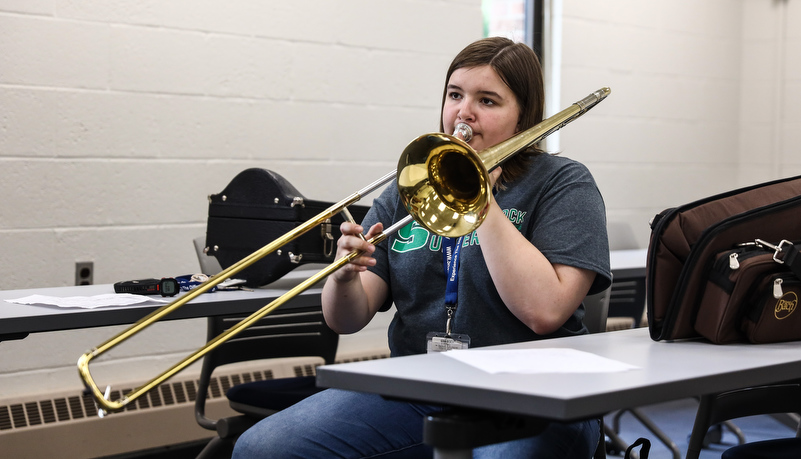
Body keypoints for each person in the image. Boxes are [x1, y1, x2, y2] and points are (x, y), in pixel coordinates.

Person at [233, 36, 611, 459]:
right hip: (421, 388)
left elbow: (545, 312)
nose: (463, 112)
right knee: (261, 448)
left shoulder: (564, 183)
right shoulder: (414, 184)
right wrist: (343, 277)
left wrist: (480, 198)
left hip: (537, 397)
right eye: (455, 95)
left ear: (523, 118)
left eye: (487, 100)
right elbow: (347, 319)